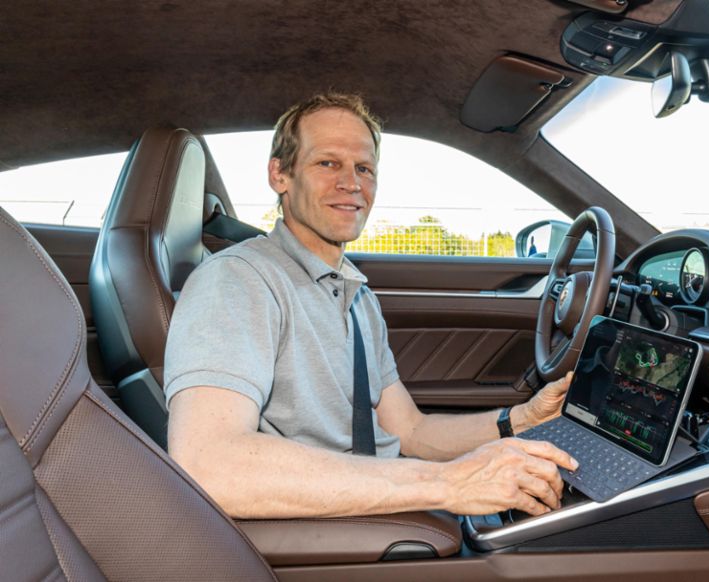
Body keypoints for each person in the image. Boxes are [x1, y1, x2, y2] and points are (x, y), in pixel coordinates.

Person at [164, 92, 577, 520]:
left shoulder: (354, 293)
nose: (351, 183)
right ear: (280, 175)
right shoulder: (238, 280)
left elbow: (411, 432)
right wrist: (450, 483)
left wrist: (522, 419)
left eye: (364, 168)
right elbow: (210, 465)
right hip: (335, 532)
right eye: (328, 163)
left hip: (378, 500)